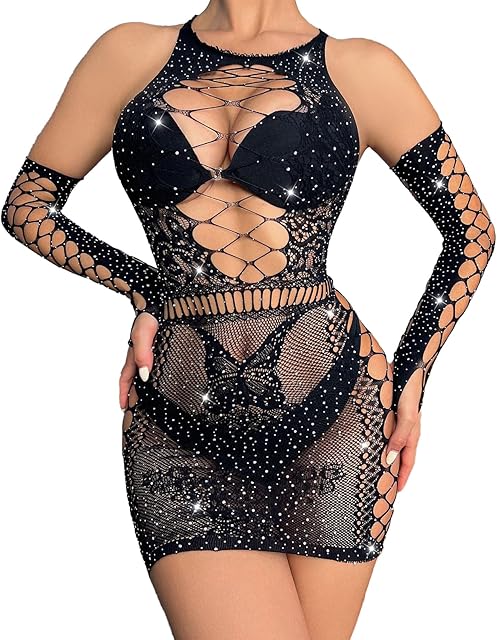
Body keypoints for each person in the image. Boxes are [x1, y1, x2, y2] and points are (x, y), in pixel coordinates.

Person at [2, 2, 494, 639]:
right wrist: (146, 287)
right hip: (180, 419)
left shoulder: (363, 68)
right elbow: (27, 206)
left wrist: (414, 376)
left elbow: (470, 230)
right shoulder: (129, 54)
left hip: (337, 409)